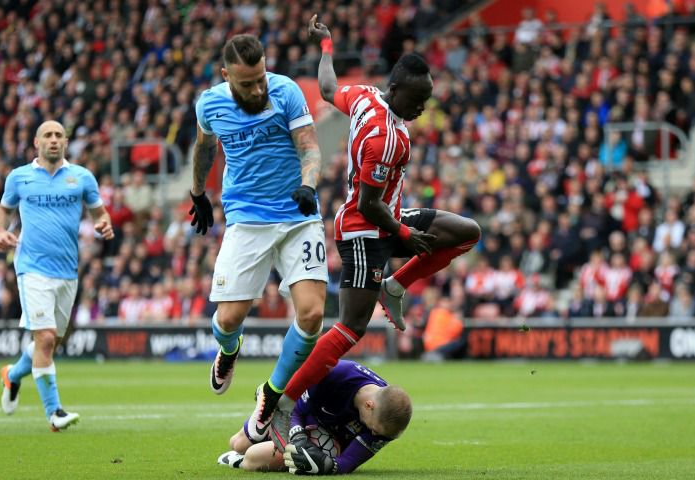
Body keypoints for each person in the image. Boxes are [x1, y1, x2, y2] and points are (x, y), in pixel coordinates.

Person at [267, 16, 481, 450]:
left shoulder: (364, 96)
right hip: (365, 230)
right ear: (398, 90)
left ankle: (396, 287)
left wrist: (326, 46)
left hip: (388, 212)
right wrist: (404, 232)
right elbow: (367, 204)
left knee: (466, 232)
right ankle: (285, 403)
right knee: (350, 328)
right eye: (418, 101)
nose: (422, 110)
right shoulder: (387, 139)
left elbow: (328, 89)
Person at [188, 34, 328, 442]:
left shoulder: (285, 91)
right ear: (226, 75)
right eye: (247, 83)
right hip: (247, 219)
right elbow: (204, 149)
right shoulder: (209, 104)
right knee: (228, 319)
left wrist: (309, 184)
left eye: (261, 77)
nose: (258, 88)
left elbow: (310, 148)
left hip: (297, 215)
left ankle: (271, 393)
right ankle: (230, 349)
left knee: (312, 314)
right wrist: (198, 193)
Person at [0, 120, 114, 431]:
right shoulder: (19, 177)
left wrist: (104, 222)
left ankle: (13, 374)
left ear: (65, 142)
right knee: (46, 338)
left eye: (58, 135)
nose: (53, 140)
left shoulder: (82, 177)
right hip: (32, 269)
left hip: (67, 272)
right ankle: (55, 412)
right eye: (47, 135)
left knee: (51, 342)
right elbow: (4, 210)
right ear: (36, 142)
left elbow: (99, 211)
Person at [217, 360, 411, 475]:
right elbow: (295, 409)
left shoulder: (388, 423)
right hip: (295, 413)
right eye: (374, 429)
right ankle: (248, 444)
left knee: (253, 458)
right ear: (369, 406)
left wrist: (327, 465)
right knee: (238, 443)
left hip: (327, 441)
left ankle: (240, 460)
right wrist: (298, 435)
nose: (374, 434)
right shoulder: (335, 375)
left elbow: (349, 461)